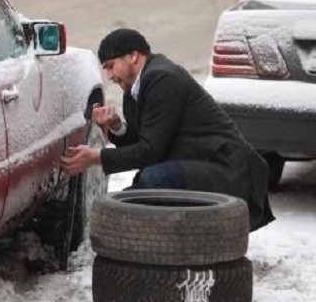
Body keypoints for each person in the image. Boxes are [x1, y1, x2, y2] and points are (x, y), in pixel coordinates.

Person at [60, 28, 274, 231]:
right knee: (145, 183)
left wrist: (96, 157)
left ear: (133, 56)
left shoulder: (163, 78)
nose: (109, 76)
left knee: (152, 181)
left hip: (230, 171)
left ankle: (131, 236)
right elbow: (144, 141)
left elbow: (150, 151)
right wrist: (117, 125)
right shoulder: (134, 88)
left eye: (110, 65)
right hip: (200, 163)